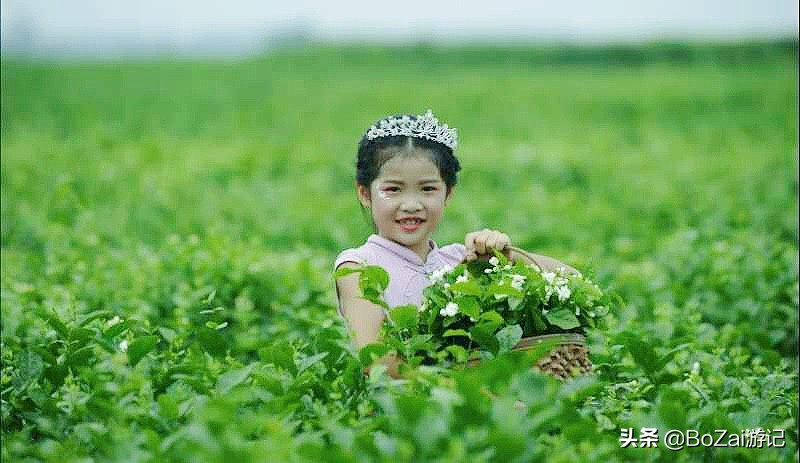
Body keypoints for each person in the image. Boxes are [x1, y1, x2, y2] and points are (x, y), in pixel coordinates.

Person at [334, 110, 577, 378]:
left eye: (428, 189)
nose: (411, 204)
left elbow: (574, 282)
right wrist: (462, 382)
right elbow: (377, 363)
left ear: (448, 193)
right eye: (393, 190)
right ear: (365, 194)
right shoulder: (358, 266)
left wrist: (507, 257)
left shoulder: (459, 260)